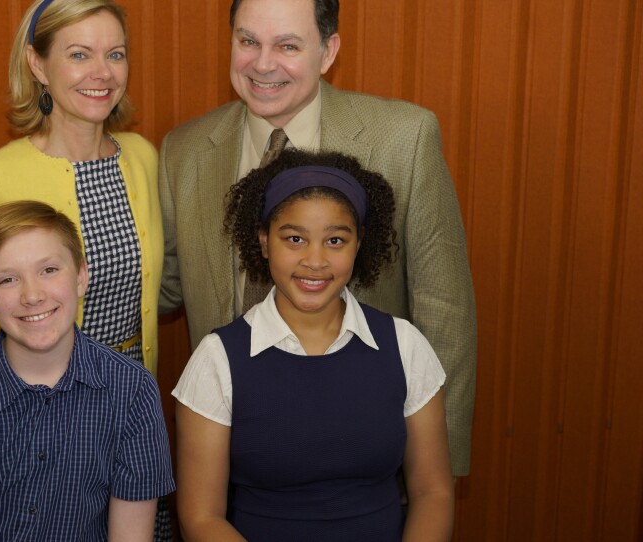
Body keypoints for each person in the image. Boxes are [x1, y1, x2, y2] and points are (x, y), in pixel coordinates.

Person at [158, 0, 477, 476]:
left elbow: (444, 309)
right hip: (229, 459)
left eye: (287, 45)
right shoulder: (184, 150)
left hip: (366, 457)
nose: (262, 64)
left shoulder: (404, 138)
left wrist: (430, 470)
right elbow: (165, 288)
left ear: (328, 51)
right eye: (248, 41)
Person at [0, 0, 162, 419]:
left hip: (128, 401)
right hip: (24, 410)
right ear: (38, 65)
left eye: (116, 54)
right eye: (79, 54)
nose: (103, 72)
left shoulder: (143, 158)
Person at [172, 150, 454, 540]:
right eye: (295, 239)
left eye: (335, 240)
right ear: (265, 242)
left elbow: (433, 492)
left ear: (359, 245)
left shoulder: (405, 346)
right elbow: (201, 517)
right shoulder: (217, 359)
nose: (315, 260)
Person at [0, 201, 175, 541]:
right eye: (7, 279)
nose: (32, 295)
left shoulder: (133, 390)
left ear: (81, 276)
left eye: (49, 270)